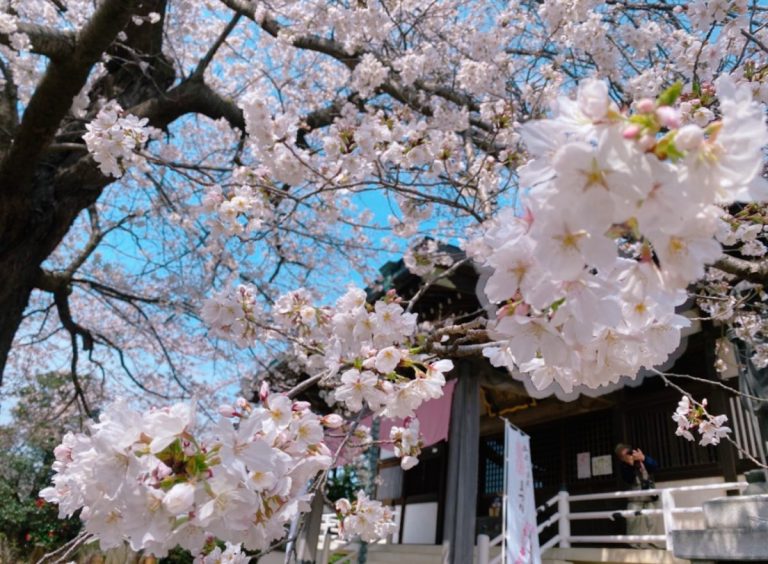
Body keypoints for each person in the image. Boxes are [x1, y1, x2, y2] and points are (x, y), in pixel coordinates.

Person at [614, 443, 664, 549]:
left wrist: (643, 458)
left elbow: (655, 466)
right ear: (621, 458)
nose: (628, 456)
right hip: (634, 497)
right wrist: (630, 465)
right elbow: (628, 479)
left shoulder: (641, 458)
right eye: (624, 455)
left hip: (649, 495)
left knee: (652, 519)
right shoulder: (624, 466)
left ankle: (652, 543)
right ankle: (633, 544)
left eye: (628, 453)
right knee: (633, 520)